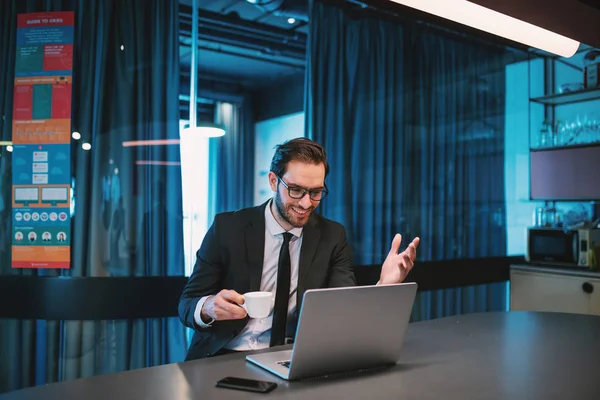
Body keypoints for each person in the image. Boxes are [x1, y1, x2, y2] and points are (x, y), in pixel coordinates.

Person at [178, 137, 420, 361]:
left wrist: (384, 285)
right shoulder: (228, 228)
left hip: (294, 357)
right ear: (274, 181)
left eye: (316, 192)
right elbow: (187, 303)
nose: (306, 203)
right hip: (224, 354)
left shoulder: (333, 236)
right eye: (296, 190)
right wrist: (208, 307)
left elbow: (344, 309)